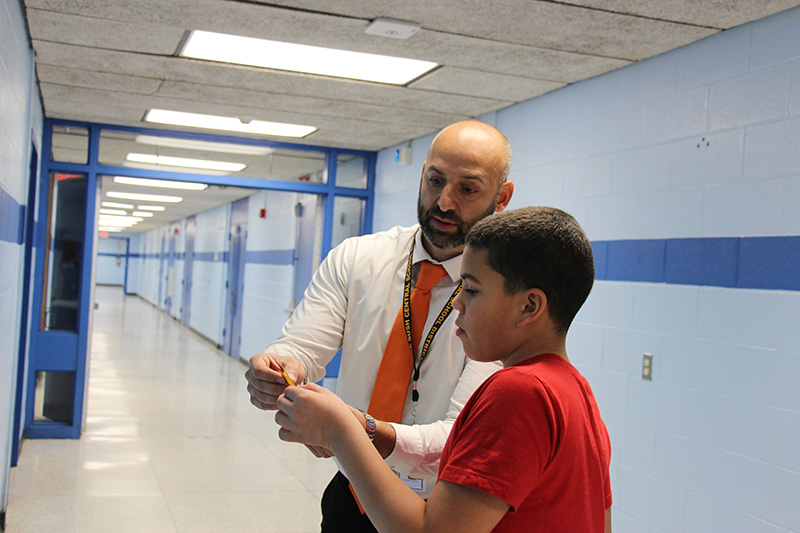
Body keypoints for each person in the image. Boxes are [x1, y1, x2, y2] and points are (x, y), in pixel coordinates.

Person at [245, 120, 515, 531]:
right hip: (352, 493)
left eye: (468, 189)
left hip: (442, 509)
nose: (443, 202)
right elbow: (301, 348)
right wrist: (280, 368)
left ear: (502, 197)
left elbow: (461, 437)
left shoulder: (505, 294)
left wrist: (351, 431)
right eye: (435, 180)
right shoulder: (357, 258)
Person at [275, 206, 613, 532]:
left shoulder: (518, 392)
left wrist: (340, 432)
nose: (458, 303)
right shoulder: (576, 392)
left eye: (472, 289)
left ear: (529, 306)